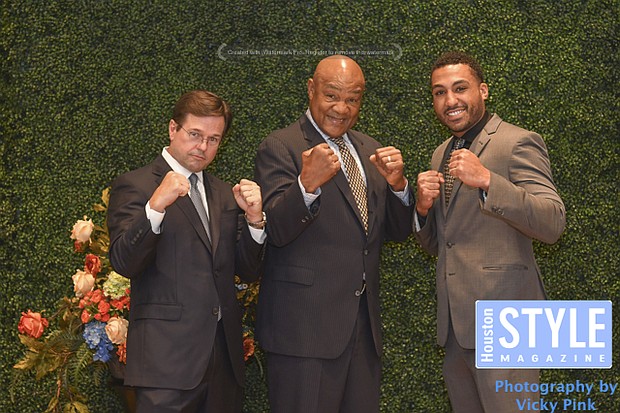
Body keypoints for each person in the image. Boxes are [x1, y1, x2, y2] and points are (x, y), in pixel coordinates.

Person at [253, 55, 414, 413]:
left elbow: (394, 232)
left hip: (362, 332)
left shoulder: (370, 149)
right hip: (303, 334)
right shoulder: (281, 146)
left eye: (352, 99)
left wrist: (399, 186)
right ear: (311, 90)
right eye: (331, 95)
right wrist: (306, 185)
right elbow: (274, 231)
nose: (341, 108)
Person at [415, 51, 566, 413]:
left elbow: (553, 222)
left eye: (460, 88)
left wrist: (487, 181)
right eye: (439, 92)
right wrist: (421, 210)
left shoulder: (518, 142)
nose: (450, 100)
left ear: (483, 91)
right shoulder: (440, 154)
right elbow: (441, 244)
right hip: (456, 329)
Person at [107, 90, 266, 413]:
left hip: (223, 364)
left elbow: (247, 270)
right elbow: (124, 261)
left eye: (213, 139)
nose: (203, 147)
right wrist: (155, 206)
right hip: (164, 365)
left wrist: (255, 220)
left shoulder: (225, 193)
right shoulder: (136, 185)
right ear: (172, 129)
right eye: (195, 134)